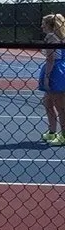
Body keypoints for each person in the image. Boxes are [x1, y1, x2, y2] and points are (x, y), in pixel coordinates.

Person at [38, 13, 65, 145]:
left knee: (60, 106)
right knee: (48, 102)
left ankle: (64, 135)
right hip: (60, 68)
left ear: (51, 25)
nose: (41, 26)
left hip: (55, 71)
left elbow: (50, 59)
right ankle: (52, 131)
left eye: (44, 23)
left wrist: (47, 77)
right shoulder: (60, 37)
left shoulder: (51, 37)